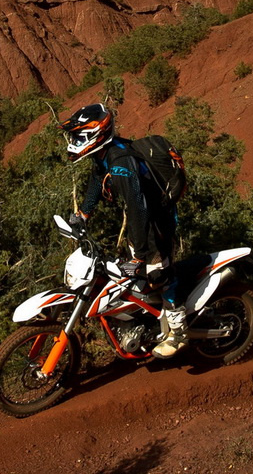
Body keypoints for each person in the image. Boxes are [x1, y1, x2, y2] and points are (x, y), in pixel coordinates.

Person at [61, 103, 189, 356]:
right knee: (134, 278)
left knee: (158, 275)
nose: (75, 141)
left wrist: (140, 255)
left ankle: (179, 332)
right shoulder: (105, 153)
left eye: (79, 136)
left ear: (97, 134)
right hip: (142, 223)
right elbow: (97, 179)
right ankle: (149, 322)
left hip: (155, 223)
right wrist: (83, 214)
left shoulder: (122, 163)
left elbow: (139, 210)